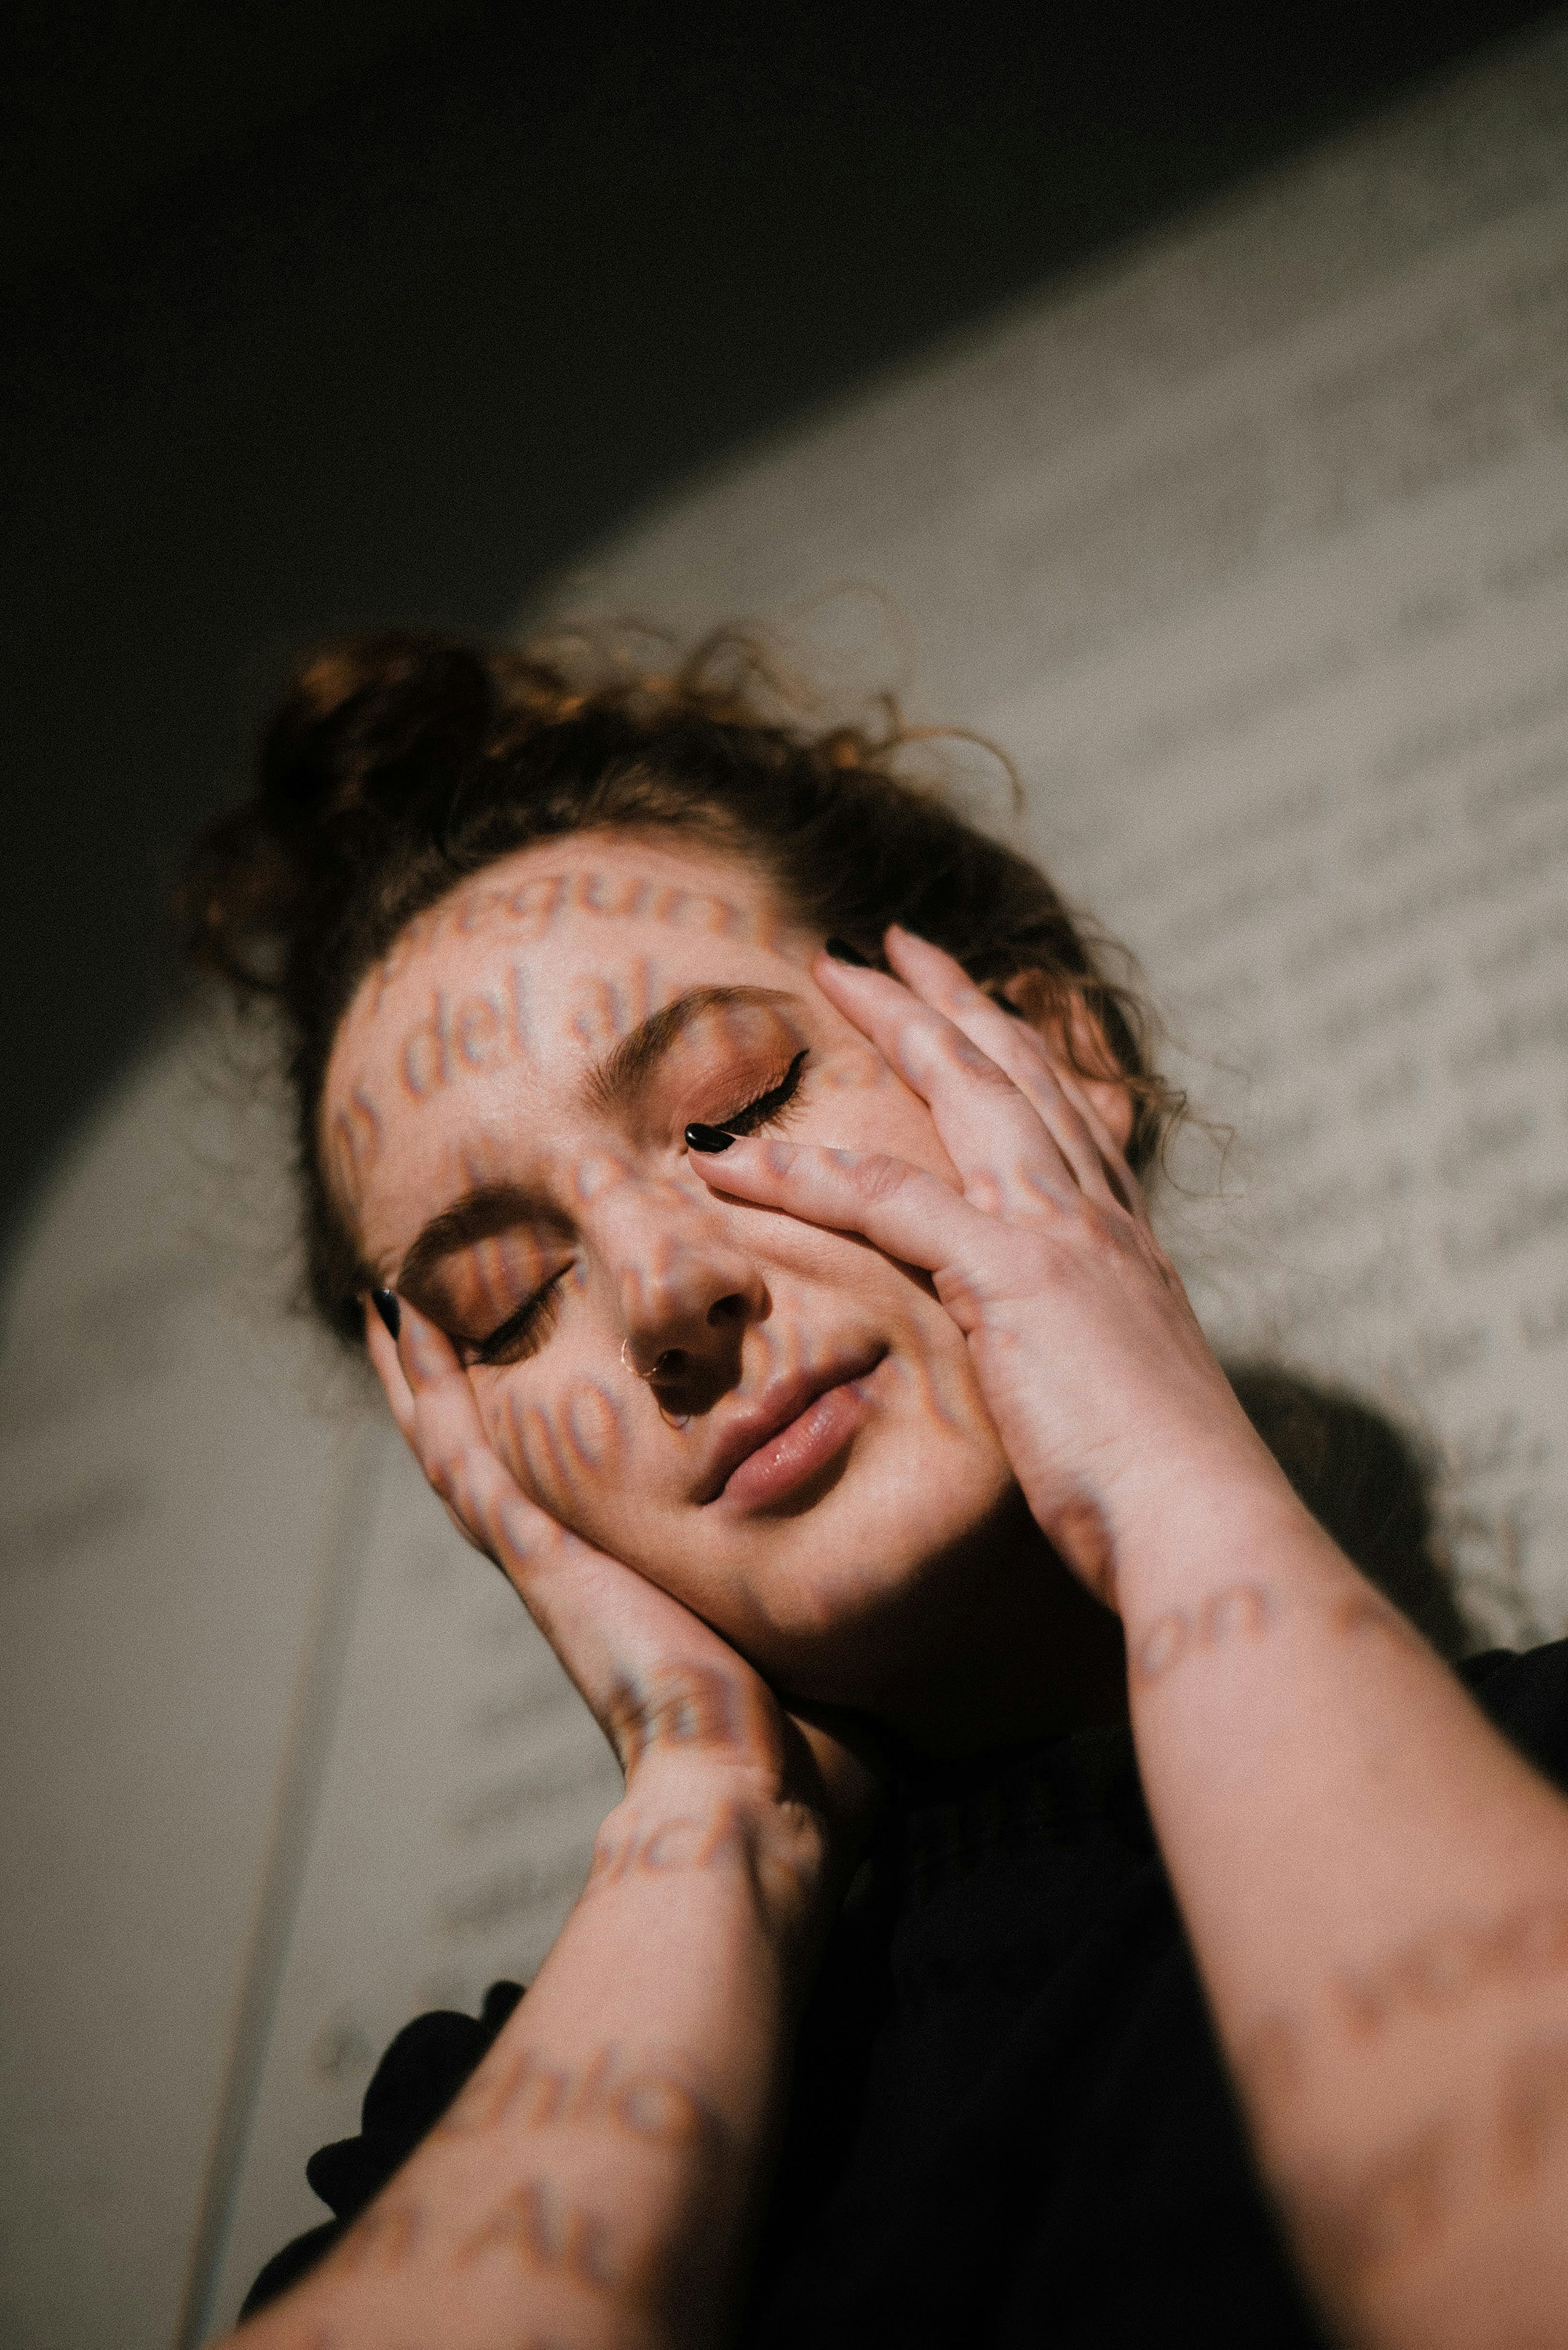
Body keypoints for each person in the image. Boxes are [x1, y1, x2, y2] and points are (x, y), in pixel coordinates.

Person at [183, 627, 1568, 2349]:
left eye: (731, 1103)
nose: (663, 1289)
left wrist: (1169, 1483)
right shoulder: (471, 2136)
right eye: (506, 1298)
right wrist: (709, 1817)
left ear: (1042, 1053)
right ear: (472, 1465)